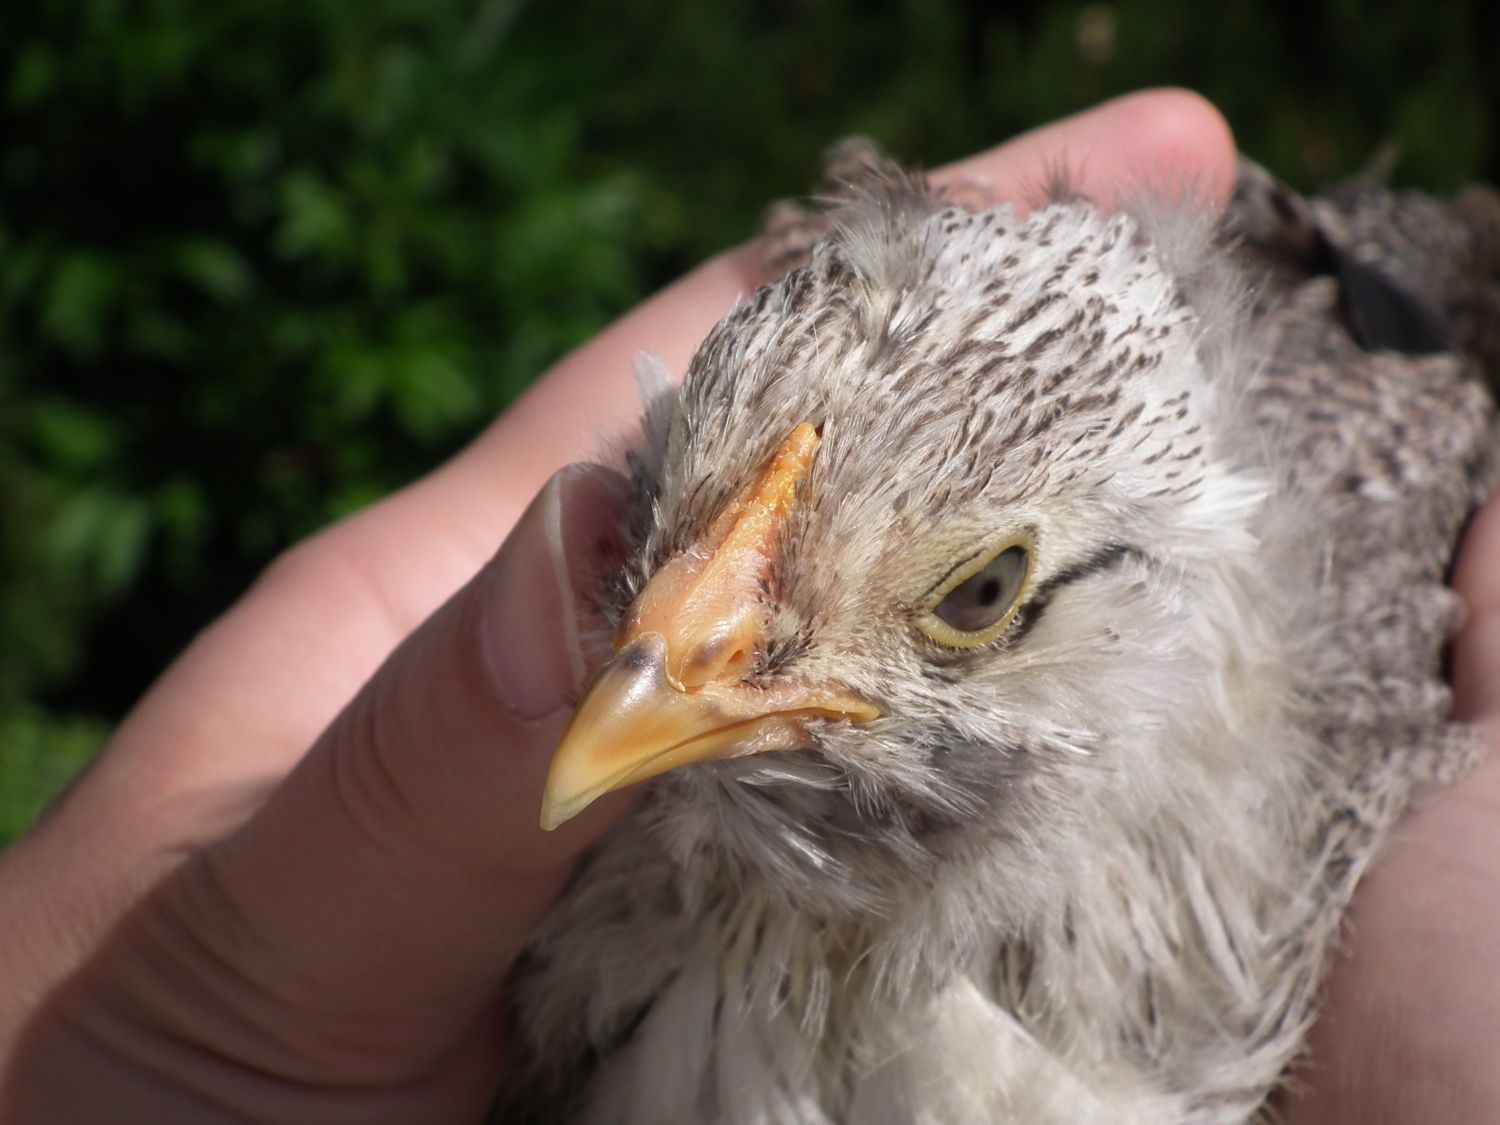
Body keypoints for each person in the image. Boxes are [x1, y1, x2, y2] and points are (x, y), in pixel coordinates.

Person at [0, 90, 1494, 1124]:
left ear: (1149, 602)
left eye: (971, 598)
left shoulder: (1358, 699)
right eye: (667, 515)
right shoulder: (491, 959)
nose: (652, 670)